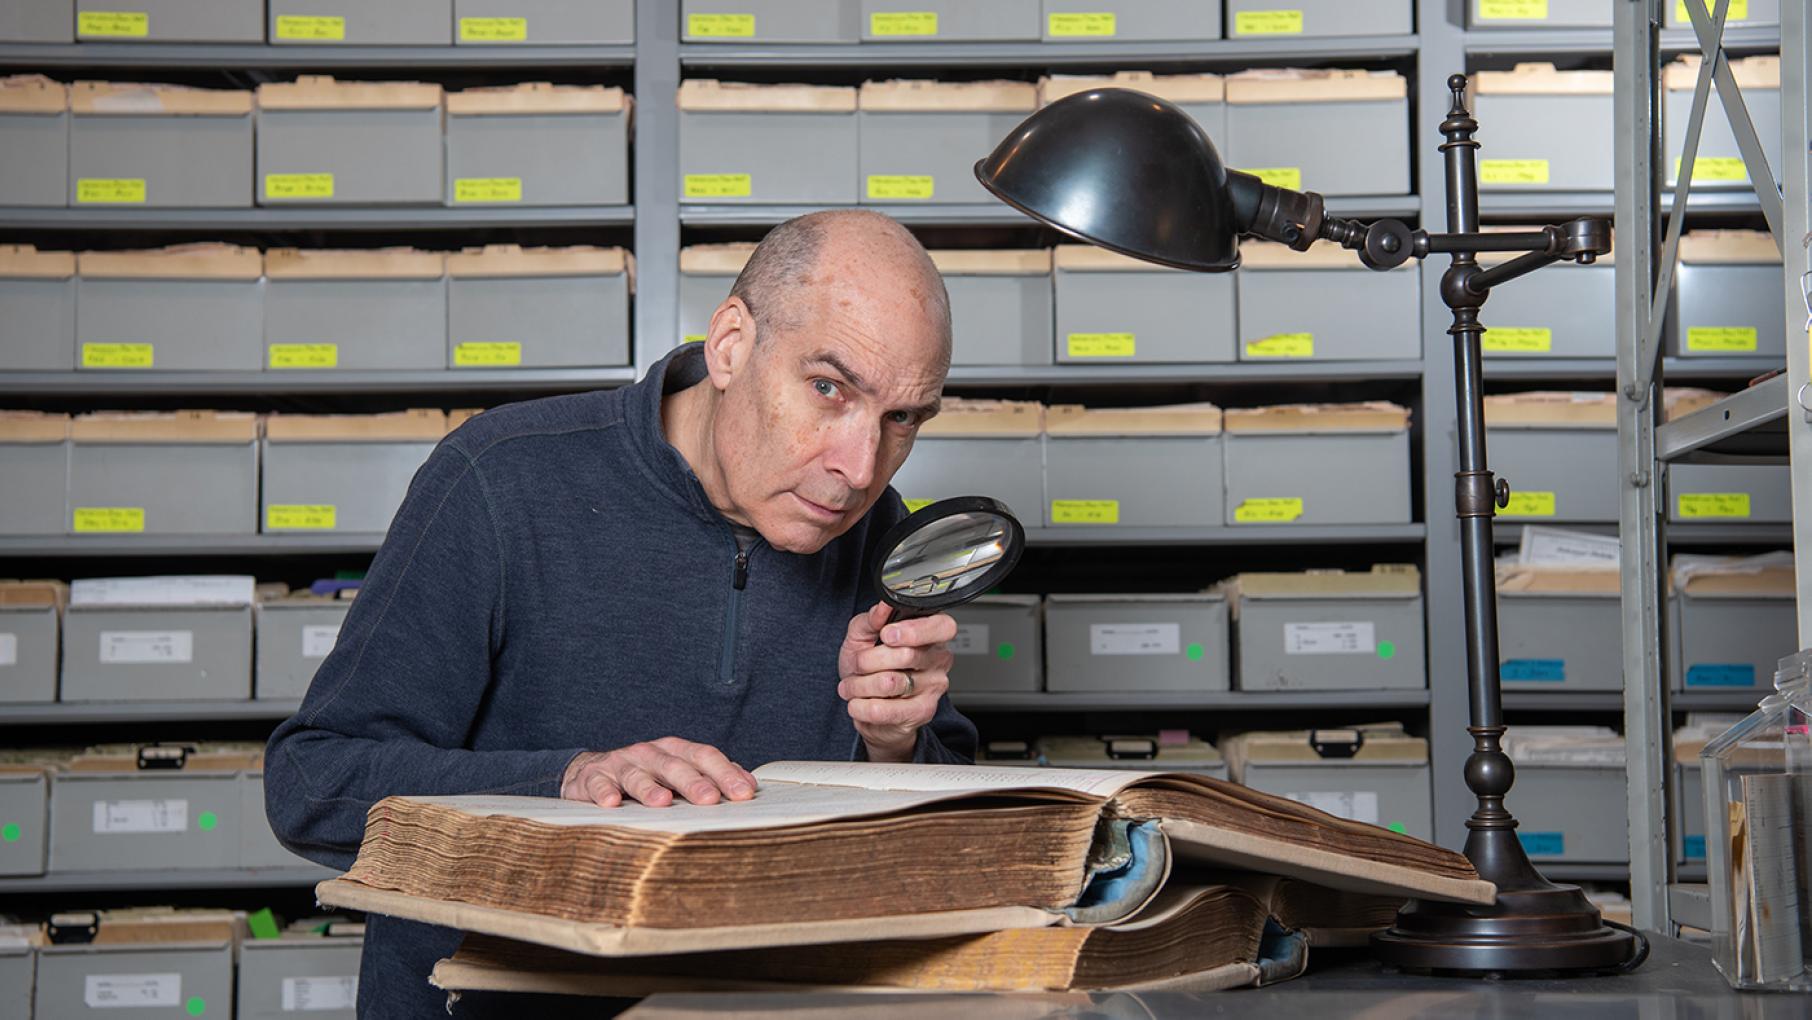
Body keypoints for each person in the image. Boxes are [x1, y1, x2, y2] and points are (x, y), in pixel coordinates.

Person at [264, 209, 978, 1016]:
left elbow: (957, 852)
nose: (858, 468)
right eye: (828, 389)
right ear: (732, 345)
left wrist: (894, 747)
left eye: (902, 419)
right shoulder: (501, 478)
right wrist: (565, 782)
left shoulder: (879, 532)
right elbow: (312, 783)